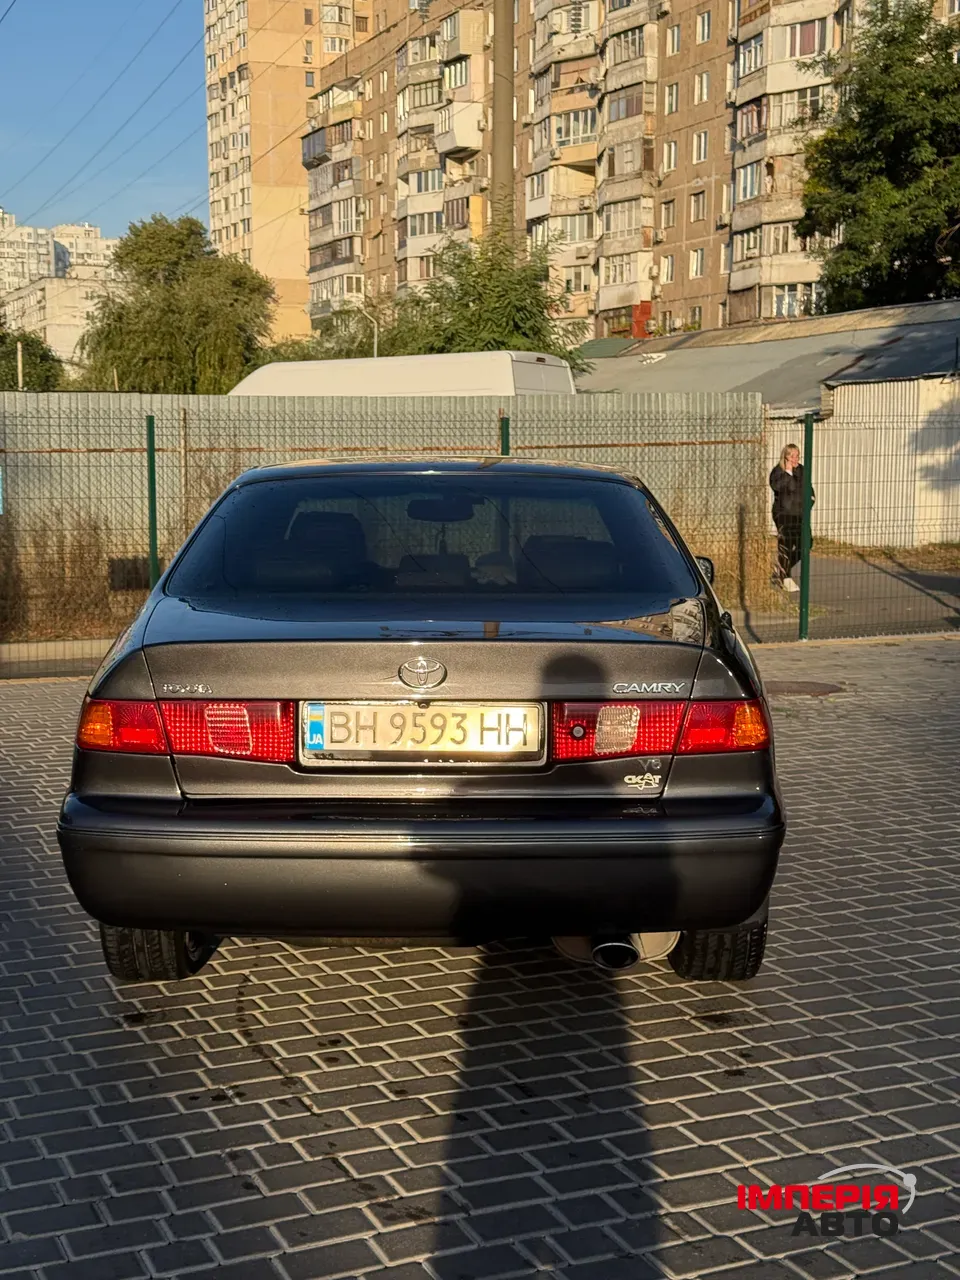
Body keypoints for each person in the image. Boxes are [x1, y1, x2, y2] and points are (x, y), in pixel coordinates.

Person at [769, 443, 810, 592]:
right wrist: (787, 472)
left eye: (797, 455)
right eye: (792, 456)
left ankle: (781, 570)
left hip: (799, 514)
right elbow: (777, 487)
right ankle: (786, 578)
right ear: (785, 457)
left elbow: (808, 488)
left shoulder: (802, 470)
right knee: (786, 544)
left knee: (806, 543)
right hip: (783, 514)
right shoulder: (777, 472)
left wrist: (810, 501)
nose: (795, 459)